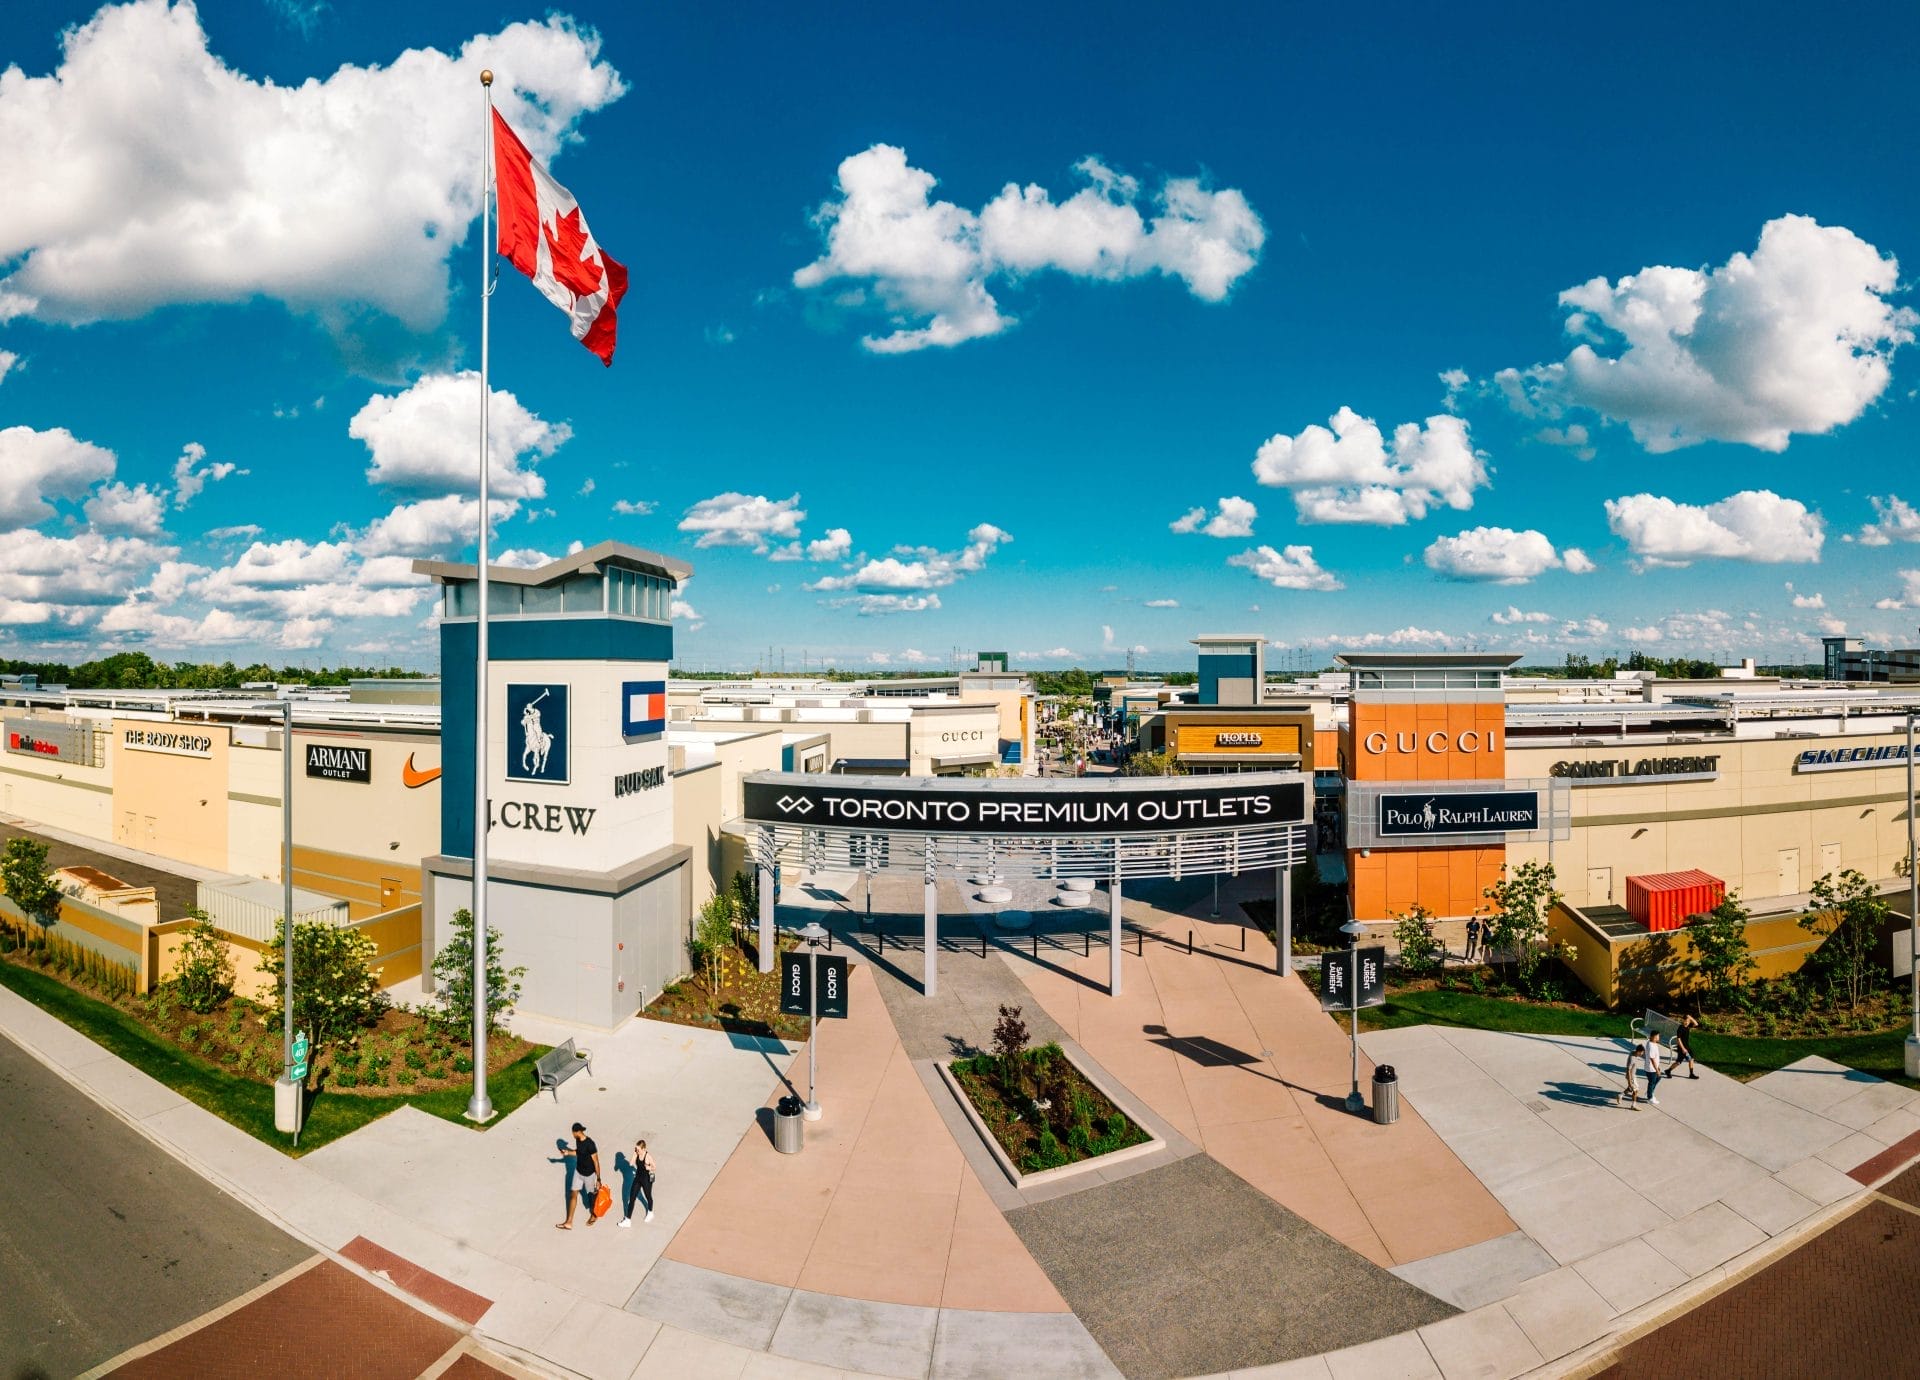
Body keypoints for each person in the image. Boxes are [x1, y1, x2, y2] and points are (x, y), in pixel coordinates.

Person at [558, 1122, 602, 1229]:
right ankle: (569, 1222)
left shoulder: (590, 1144)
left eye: (573, 1132)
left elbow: (596, 1162)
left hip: (589, 1175)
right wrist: (567, 1153)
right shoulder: (578, 1140)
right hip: (578, 1172)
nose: (572, 1135)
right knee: (573, 1195)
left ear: (577, 1132)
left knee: (591, 1197)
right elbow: (579, 1152)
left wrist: (598, 1179)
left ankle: (594, 1215)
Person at [621, 1138, 657, 1227]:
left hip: (646, 1179)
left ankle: (650, 1212)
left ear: (644, 1149)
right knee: (632, 1198)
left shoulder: (648, 1156)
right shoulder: (636, 1154)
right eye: (636, 1149)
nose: (637, 1150)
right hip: (638, 1178)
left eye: (638, 1149)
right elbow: (630, 1164)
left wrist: (649, 1167)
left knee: (648, 1196)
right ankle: (628, 1220)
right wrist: (634, 1153)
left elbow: (654, 1166)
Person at [1617, 1042, 1644, 1110]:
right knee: (1635, 1090)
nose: (1642, 1054)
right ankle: (1633, 1105)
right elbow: (1628, 1070)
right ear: (1638, 1051)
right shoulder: (1632, 1059)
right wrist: (1629, 1081)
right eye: (1642, 1052)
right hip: (1631, 1076)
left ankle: (1620, 1095)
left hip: (1633, 1075)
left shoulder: (1633, 1052)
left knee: (1631, 1088)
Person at [1644, 1031, 1667, 1106]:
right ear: (1654, 1037)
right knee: (1652, 1082)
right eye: (1658, 1036)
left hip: (1653, 1067)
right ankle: (1650, 1098)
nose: (1658, 1037)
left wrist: (1658, 1067)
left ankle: (1649, 1092)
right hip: (1651, 1069)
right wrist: (1657, 1069)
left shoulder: (1651, 1042)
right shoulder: (1651, 1046)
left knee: (1658, 1078)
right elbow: (1652, 1059)